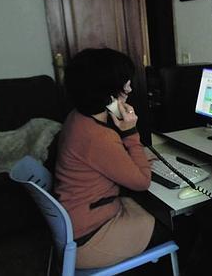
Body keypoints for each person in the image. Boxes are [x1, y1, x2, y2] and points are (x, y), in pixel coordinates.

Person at [54, 48, 167, 268]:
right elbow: (142, 182)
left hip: (77, 222)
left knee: (155, 210)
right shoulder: (98, 136)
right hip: (89, 239)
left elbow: (103, 161)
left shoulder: (77, 117)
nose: (131, 88)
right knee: (179, 227)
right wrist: (130, 132)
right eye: (126, 84)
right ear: (109, 93)